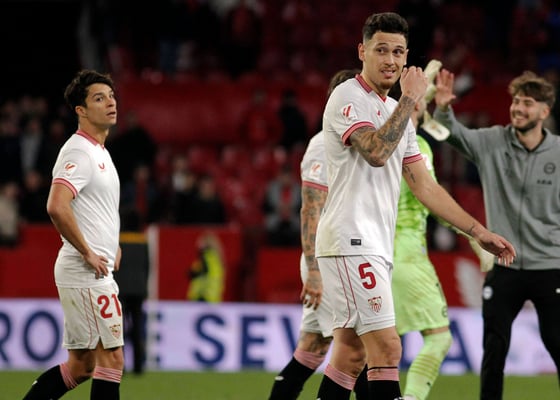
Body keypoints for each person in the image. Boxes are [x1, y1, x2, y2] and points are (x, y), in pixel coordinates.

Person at [314, 12, 516, 400]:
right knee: (388, 348)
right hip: (349, 241)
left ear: (407, 58)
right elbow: (375, 152)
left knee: (351, 355)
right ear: (362, 52)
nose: (390, 60)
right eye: (381, 50)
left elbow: (424, 185)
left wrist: (478, 232)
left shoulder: (399, 115)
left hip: (375, 245)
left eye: (398, 52)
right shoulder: (348, 96)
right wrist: (408, 99)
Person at [432, 69, 560, 400]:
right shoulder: (492, 142)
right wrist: (443, 107)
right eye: (515, 101)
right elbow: (450, 133)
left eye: (527, 103)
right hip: (504, 266)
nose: (518, 108)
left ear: (544, 111)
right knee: (493, 349)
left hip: (550, 266)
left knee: (558, 343)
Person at [21, 69, 124, 400]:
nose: (110, 103)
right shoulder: (79, 151)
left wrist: (113, 244)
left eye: (111, 96)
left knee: (81, 367)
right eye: (99, 98)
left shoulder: (100, 152)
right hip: (85, 271)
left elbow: (95, 208)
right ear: (81, 110)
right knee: (112, 359)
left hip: (94, 270)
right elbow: (56, 205)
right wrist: (87, 251)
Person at [267, 69, 368, 400]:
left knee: (312, 347)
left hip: (339, 257)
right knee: (359, 349)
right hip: (327, 261)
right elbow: (310, 209)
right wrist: (313, 270)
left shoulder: (352, 144)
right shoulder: (324, 144)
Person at [390, 81, 453, 400]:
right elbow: (432, 198)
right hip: (407, 253)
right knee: (439, 337)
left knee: (372, 349)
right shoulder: (416, 145)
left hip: (374, 252)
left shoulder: (379, 139)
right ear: (417, 104)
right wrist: (473, 232)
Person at [113, 207, 149, 375]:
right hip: (138, 290)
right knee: (137, 329)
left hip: (121, 289)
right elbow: (147, 267)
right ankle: (139, 366)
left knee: (119, 329)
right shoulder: (142, 240)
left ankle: (121, 365)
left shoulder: (118, 240)